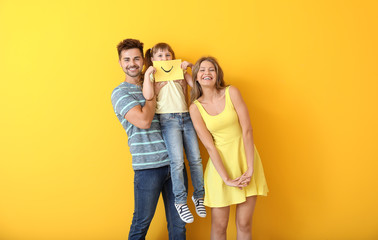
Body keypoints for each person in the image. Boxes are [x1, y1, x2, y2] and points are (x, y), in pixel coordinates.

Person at [111, 38, 187, 240]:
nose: (132, 63)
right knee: (141, 224)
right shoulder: (119, 93)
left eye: (136, 58)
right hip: (148, 168)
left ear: (143, 61)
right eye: (127, 59)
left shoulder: (158, 78)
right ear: (120, 62)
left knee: (179, 226)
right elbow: (144, 120)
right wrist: (152, 93)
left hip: (175, 163)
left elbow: (181, 101)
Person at [189, 56, 268, 240]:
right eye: (202, 70)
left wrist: (250, 169)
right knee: (219, 226)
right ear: (196, 77)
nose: (207, 73)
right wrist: (226, 178)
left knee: (244, 223)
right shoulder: (195, 108)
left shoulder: (232, 92)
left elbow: (247, 131)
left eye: (211, 69)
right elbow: (210, 146)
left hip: (246, 161)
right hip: (219, 169)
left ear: (217, 75)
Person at [142, 43, 206, 224]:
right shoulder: (154, 77)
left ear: (172, 57)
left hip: (186, 117)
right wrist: (148, 75)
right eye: (160, 56)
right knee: (177, 161)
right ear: (153, 60)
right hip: (167, 121)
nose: (164, 59)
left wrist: (191, 68)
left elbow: (197, 87)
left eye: (167, 55)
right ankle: (180, 201)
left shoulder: (180, 73)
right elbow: (147, 96)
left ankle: (198, 196)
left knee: (196, 159)